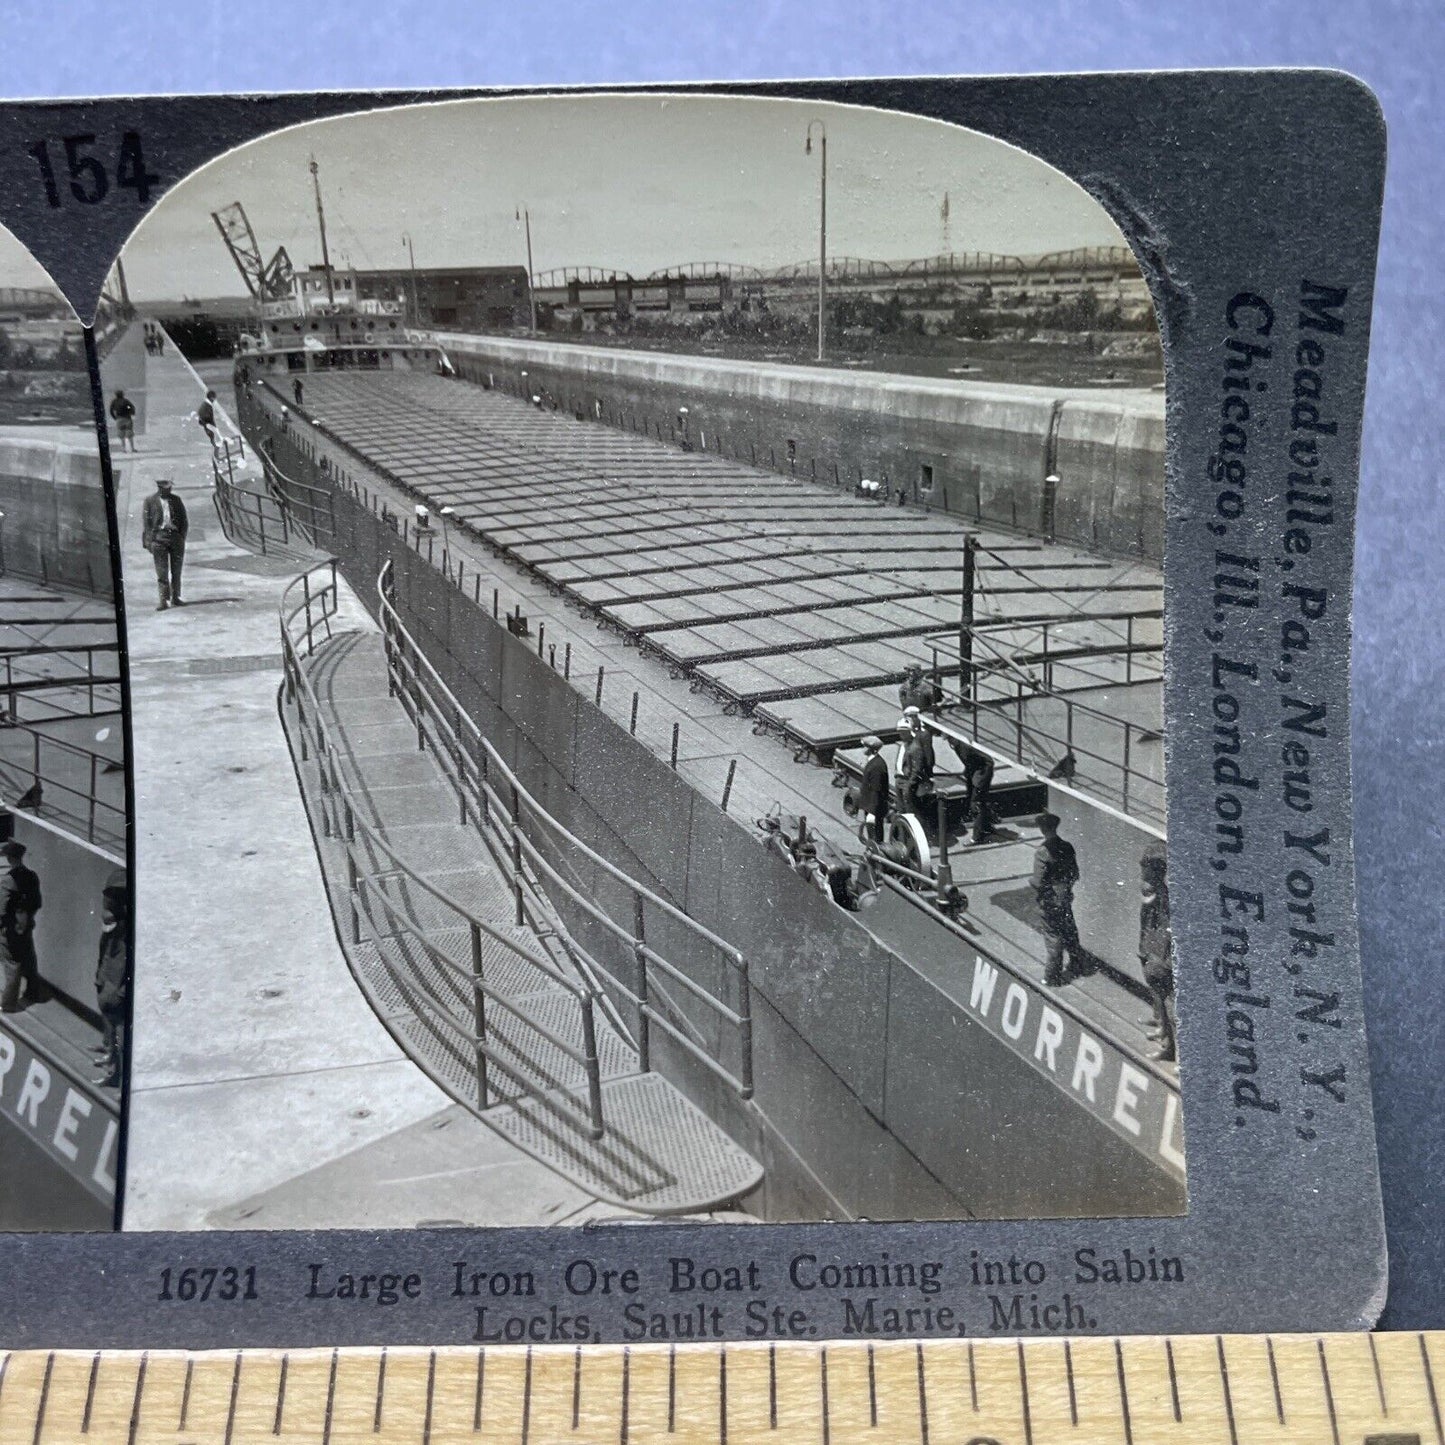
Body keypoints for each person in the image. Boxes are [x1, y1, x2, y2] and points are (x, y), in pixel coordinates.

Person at [1031, 812, 1082, 987]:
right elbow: (1075, 874)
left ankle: (1052, 976)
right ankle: (1077, 963)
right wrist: (1065, 889)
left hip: (1049, 901)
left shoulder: (1042, 852)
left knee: (1053, 935)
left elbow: (1037, 882)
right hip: (1065, 896)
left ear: (1042, 829)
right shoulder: (1067, 847)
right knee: (1069, 929)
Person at [1138, 842, 1175, 1062]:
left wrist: (1158, 961)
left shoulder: (1164, 901)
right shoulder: (1151, 898)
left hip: (1160, 962)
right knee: (1160, 1004)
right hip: (1151, 957)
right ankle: (1163, 1034)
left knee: (1170, 1009)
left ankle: (1168, 1048)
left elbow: (1165, 936)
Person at [93, 869, 128, 1087]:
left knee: (122, 1043)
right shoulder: (109, 938)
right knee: (112, 1035)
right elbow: (102, 959)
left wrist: (120, 994)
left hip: (117, 999)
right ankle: (110, 1059)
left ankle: (117, 1077)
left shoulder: (127, 944)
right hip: (107, 992)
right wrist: (99, 980)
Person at [0, 840, 43, 1014]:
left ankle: (9, 1004)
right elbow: (38, 902)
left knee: (11, 962)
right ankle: (33, 992)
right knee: (28, 958)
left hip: (9, 929)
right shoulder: (32, 876)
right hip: (26, 925)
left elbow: (1, 908)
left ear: (10, 858)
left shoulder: (7, 880)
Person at [142, 477, 189, 610]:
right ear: (160, 488)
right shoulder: (149, 501)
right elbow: (147, 523)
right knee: (162, 572)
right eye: (167, 488)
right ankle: (163, 600)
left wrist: (181, 537)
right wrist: (150, 542)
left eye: (170, 488)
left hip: (175, 537)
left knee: (176, 570)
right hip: (159, 538)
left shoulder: (176, 500)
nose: (169, 490)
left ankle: (176, 597)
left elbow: (184, 520)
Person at [856, 735, 890, 846]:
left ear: (872, 749)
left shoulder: (876, 766)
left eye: (865, 746)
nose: (863, 748)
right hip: (872, 806)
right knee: (872, 835)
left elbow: (876, 790)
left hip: (874, 807)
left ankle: (877, 855)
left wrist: (872, 812)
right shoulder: (874, 761)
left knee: (875, 836)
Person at [961, 742, 996, 843]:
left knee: (976, 804)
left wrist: (978, 780)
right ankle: (986, 827)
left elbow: (985, 761)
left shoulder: (961, 745)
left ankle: (977, 837)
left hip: (981, 775)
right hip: (977, 773)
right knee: (980, 801)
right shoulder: (958, 743)